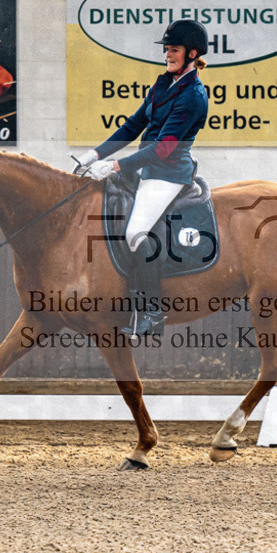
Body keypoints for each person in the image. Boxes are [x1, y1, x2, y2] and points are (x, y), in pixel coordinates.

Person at [74, 19, 210, 337]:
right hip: (145, 170)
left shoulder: (194, 96)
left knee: (136, 232)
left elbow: (163, 149)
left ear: (191, 53)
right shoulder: (163, 84)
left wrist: (116, 167)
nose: (167, 55)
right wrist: (93, 155)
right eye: (166, 50)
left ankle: (152, 312)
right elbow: (132, 126)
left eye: (173, 50)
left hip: (168, 174)